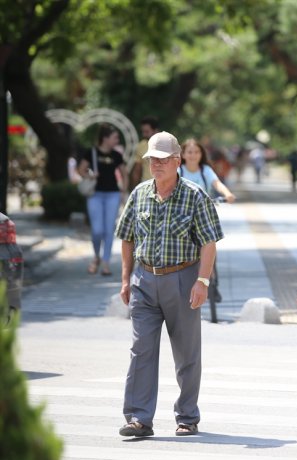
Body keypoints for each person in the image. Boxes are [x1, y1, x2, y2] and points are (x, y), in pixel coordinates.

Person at [114, 131, 224, 438]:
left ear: (177, 161)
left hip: (183, 279)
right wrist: (126, 279)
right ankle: (138, 418)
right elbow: (126, 237)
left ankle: (187, 416)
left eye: (163, 159)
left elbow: (209, 243)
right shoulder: (138, 194)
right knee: (141, 351)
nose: (157, 165)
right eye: (152, 160)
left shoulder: (194, 195)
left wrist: (202, 281)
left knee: (186, 354)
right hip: (144, 279)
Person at [77, 123, 127, 277]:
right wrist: (89, 175)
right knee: (97, 230)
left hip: (112, 194)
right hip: (95, 195)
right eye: (115, 137)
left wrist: (123, 191)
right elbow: (80, 170)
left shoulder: (116, 155)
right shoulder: (91, 152)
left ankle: (105, 262)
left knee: (109, 230)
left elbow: (125, 174)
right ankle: (96, 256)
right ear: (105, 138)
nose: (117, 140)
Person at [128, 116, 159, 191]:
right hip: (147, 186)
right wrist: (134, 190)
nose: (144, 135)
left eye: (147, 132)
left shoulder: (168, 144)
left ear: (156, 130)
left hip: (166, 185)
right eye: (143, 132)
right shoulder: (140, 146)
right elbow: (137, 171)